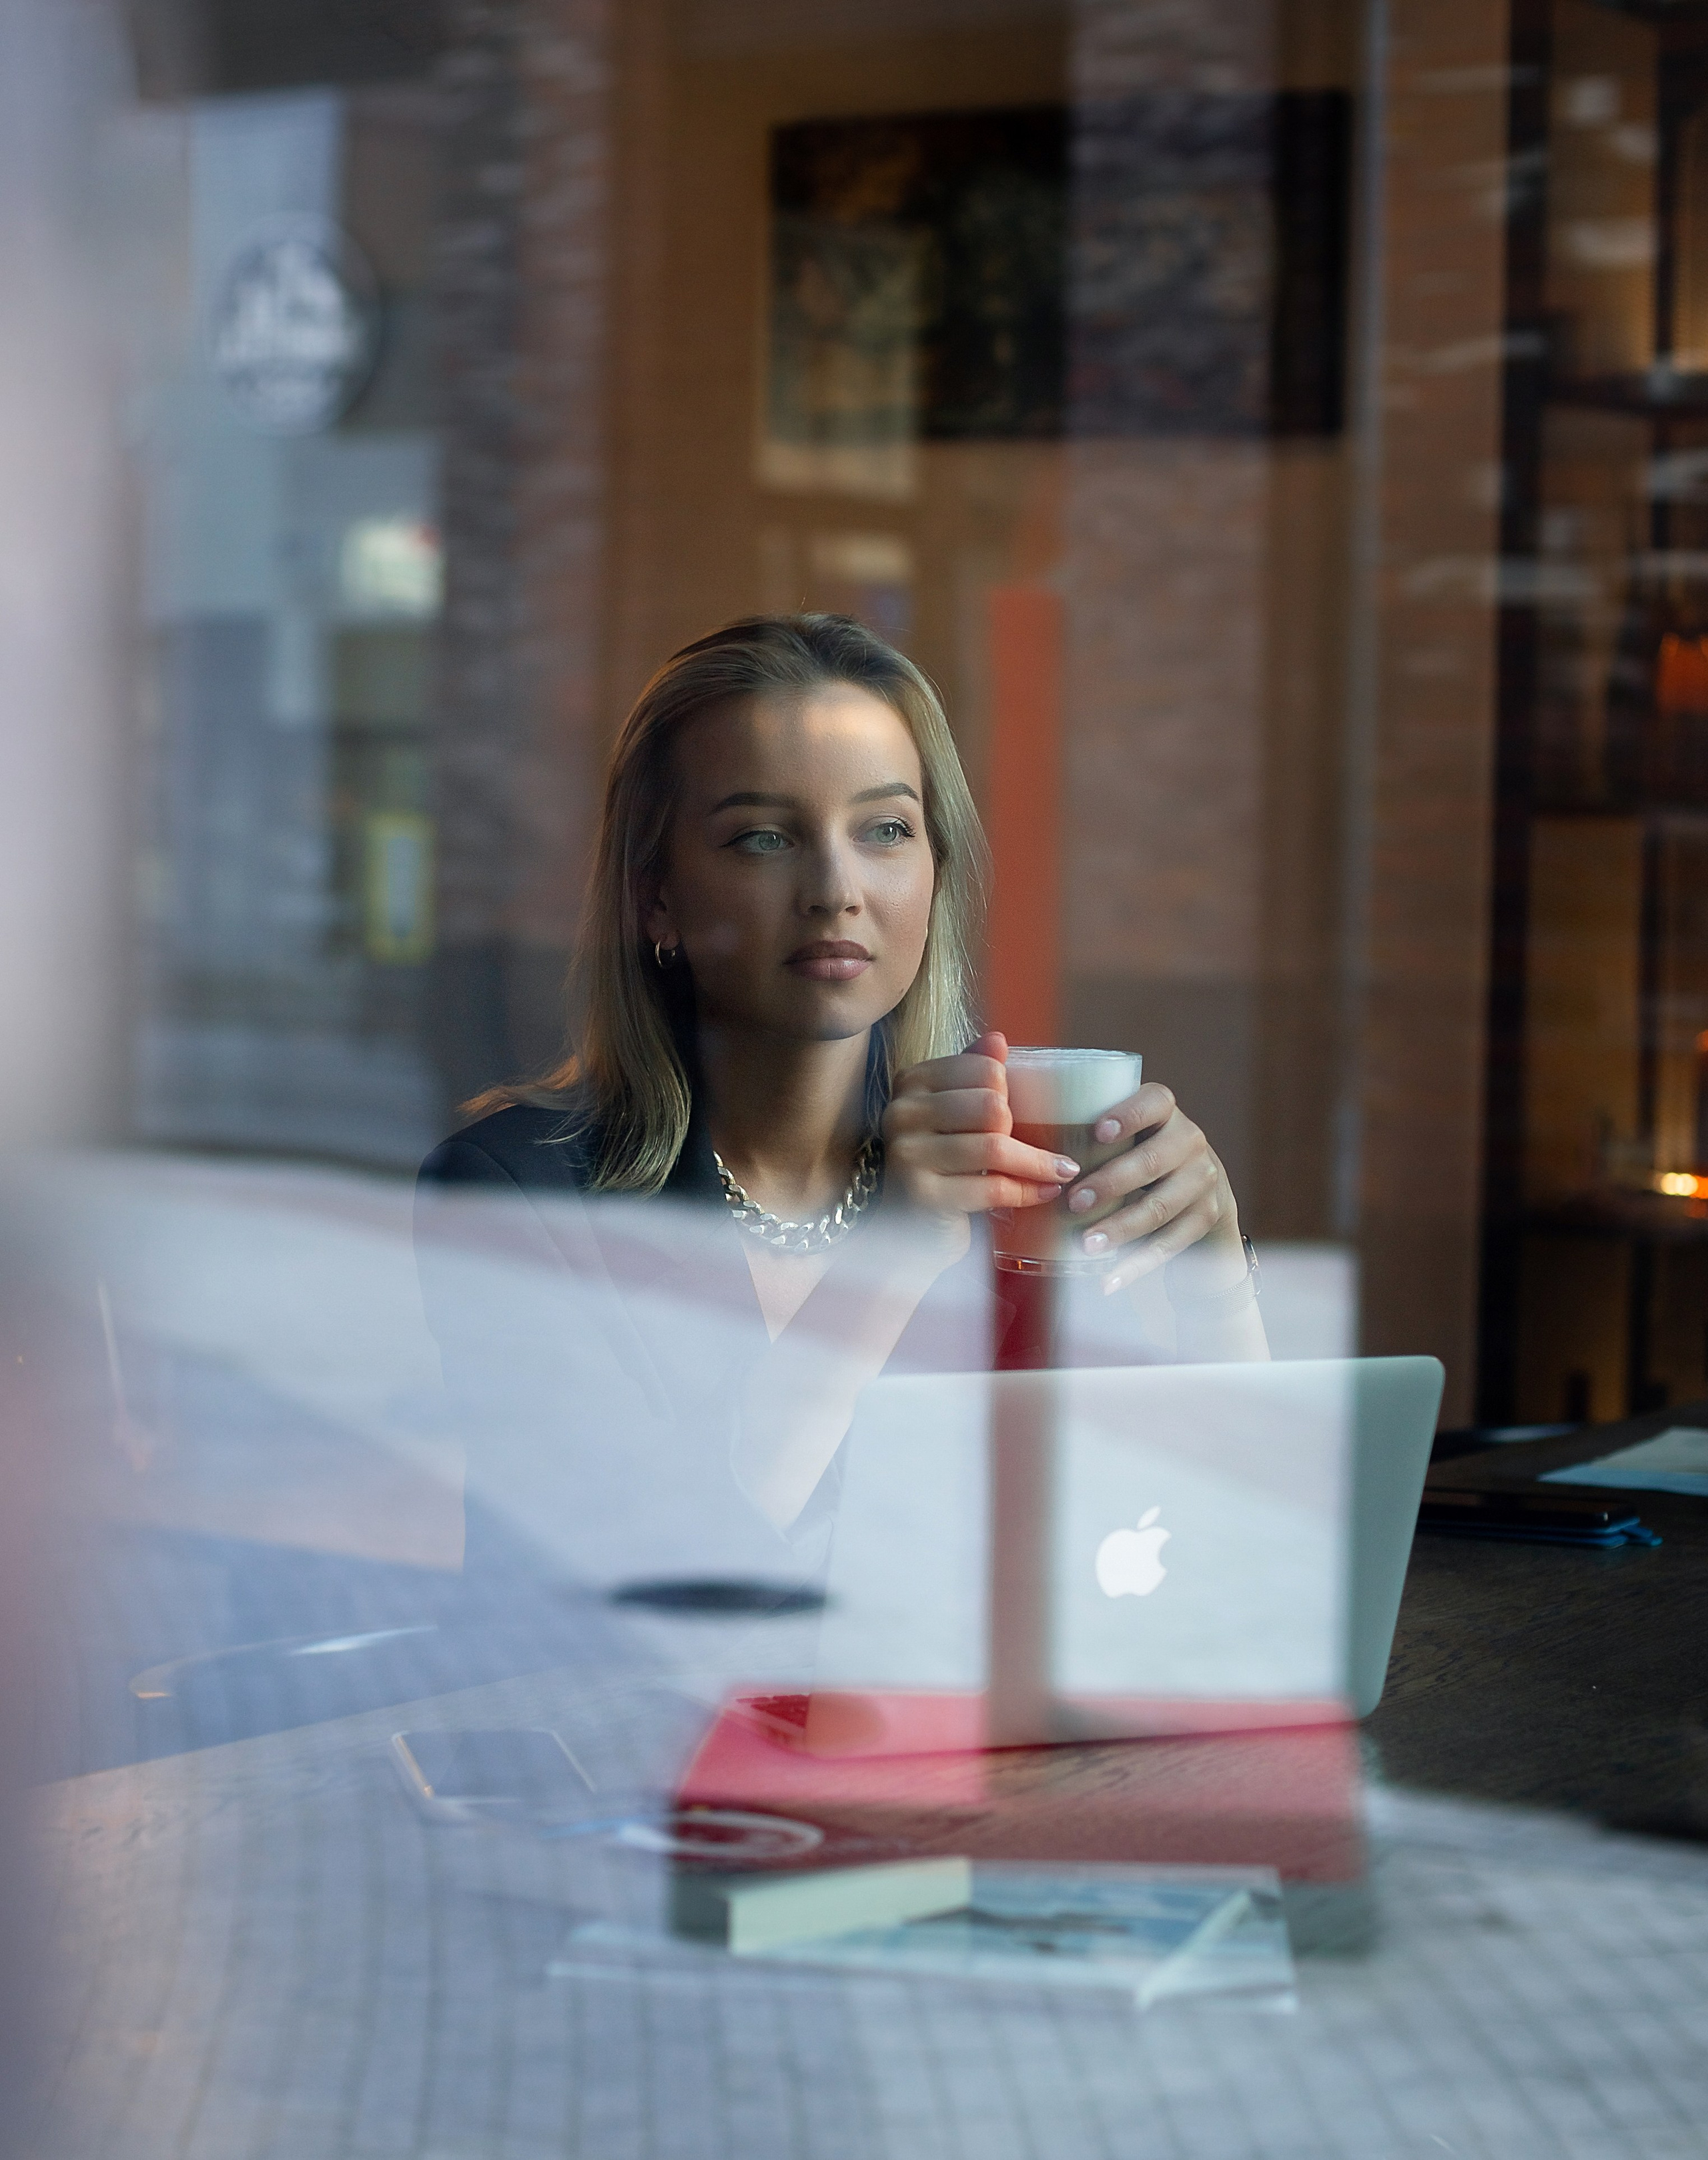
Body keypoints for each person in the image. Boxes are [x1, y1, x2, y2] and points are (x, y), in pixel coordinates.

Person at [418, 614, 1264, 1543]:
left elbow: (1213, 1545)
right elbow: (645, 1582)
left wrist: (1212, 1287)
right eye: (763, 838)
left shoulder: (1004, 1182)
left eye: (886, 829)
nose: (835, 888)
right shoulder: (513, 1194)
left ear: (936, 873)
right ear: (655, 894)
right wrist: (887, 1257)